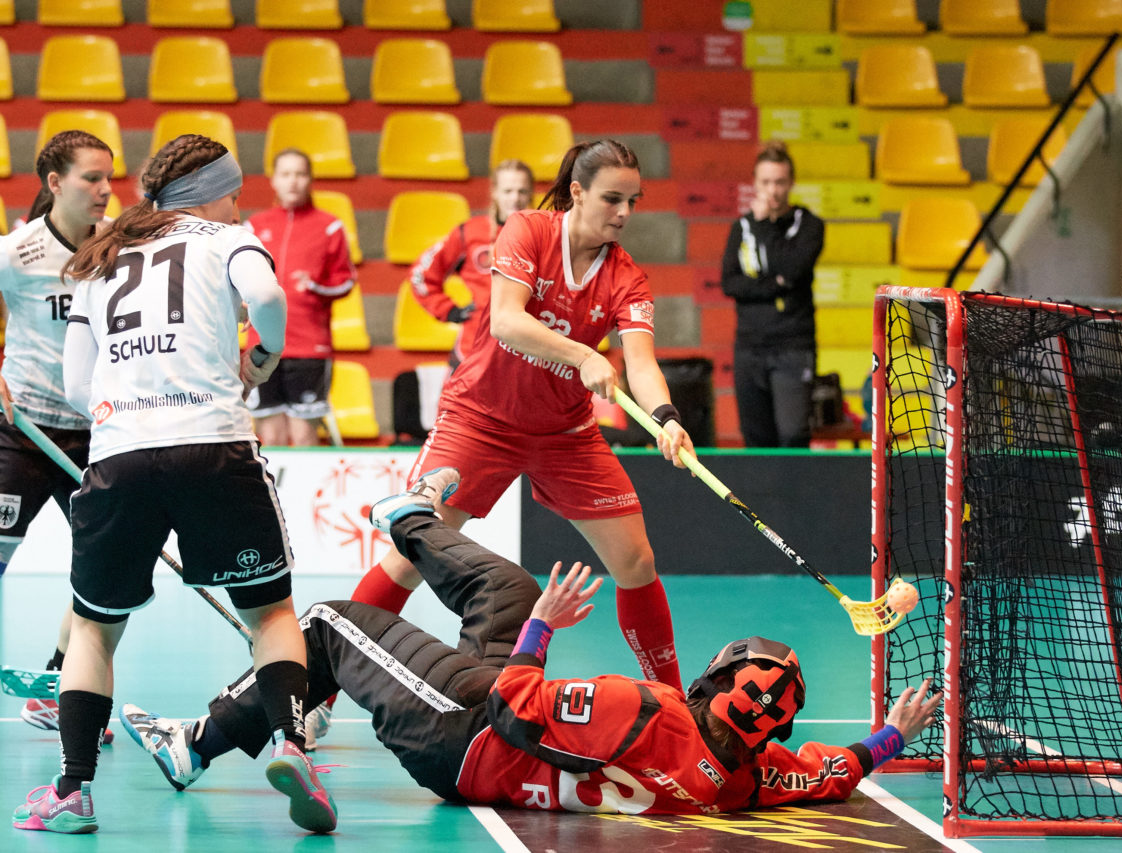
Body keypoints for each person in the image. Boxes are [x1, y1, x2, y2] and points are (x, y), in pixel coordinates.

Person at [117, 468, 941, 822]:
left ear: (715, 675)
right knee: (503, 590)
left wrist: (545, 628)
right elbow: (835, 773)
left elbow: (516, 704)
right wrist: (890, 736)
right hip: (503, 738)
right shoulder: (749, 780)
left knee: (329, 623)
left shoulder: (643, 708)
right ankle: (412, 515)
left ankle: (196, 744)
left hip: (468, 738)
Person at [11, 134, 334, 835]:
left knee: (94, 630)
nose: (239, 201)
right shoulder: (229, 239)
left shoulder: (97, 260)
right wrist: (262, 355)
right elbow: (269, 296)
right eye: (235, 189)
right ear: (209, 195)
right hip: (214, 445)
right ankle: (290, 742)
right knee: (271, 614)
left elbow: (74, 386)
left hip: (120, 453)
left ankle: (72, 792)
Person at [327, 140, 692, 745]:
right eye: (611, 199)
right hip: (481, 420)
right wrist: (580, 354)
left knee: (637, 562)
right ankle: (320, 692)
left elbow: (642, 363)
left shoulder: (627, 277)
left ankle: (677, 705)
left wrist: (666, 416)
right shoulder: (527, 230)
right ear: (576, 191)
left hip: (566, 434)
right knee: (409, 556)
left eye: (633, 201)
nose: (624, 213)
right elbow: (505, 319)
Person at [0, 131, 117, 742]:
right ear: (54, 183)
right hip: (22, 433)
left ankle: (62, 689)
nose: (105, 190)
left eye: (108, 177)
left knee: (102, 574)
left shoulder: (120, 248)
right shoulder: (15, 253)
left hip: (97, 437)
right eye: (91, 178)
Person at [245, 148, 356, 446]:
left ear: (310, 180)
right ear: (273, 180)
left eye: (300, 174)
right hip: (261, 344)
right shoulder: (254, 226)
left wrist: (315, 286)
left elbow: (346, 282)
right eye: (285, 174)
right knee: (269, 435)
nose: (293, 181)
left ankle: (302, 495)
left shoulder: (330, 226)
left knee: (304, 434)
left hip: (309, 347)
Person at [721, 140, 825, 448]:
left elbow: (790, 269)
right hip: (749, 348)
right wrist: (775, 284)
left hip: (793, 347)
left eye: (779, 182)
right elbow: (730, 283)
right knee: (756, 440)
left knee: (793, 436)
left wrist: (765, 225)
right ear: (754, 183)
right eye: (765, 182)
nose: (773, 190)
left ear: (791, 183)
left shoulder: (809, 225)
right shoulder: (741, 228)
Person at [410, 158, 535, 369]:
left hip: (528, 354)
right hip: (473, 352)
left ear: (531, 193)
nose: (515, 198)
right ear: (494, 192)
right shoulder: (470, 232)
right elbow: (420, 274)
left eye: (522, 191)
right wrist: (448, 310)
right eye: (508, 191)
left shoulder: (544, 234)